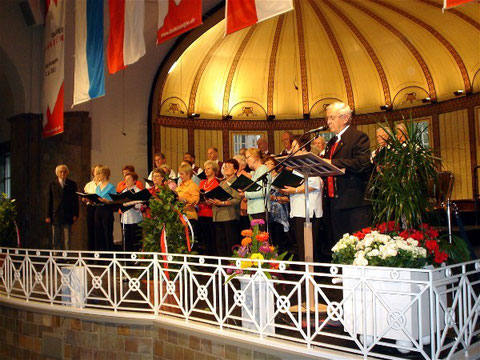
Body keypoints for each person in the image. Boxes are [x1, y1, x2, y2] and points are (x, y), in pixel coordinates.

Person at [322, 102, 372, 249]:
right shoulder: (331, 142)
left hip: (354, 202)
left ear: (345, 118)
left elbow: (362, 163)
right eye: (327, 118)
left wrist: (332, 162)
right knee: (340, 247)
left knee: (357, 247)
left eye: (332, 117)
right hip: (334, 201)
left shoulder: (358, 137)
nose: (328, 122)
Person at [279, 136, 323, 261]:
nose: (291, 150)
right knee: (301, 245)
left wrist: (295, 190)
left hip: (308, 210)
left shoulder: (310, 162)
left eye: (294, 147)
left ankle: (310, 274)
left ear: (303, 148)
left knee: (308, 246)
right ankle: (304, 272)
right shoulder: (296, 165)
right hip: (298, 209)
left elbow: (315, 184)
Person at [209, 159, 241, 257]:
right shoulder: (222, 182)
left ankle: (232, 266)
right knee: (220, 244)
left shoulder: (236, 181)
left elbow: (237, 199)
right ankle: (223, 265)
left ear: (235, 170)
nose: (226, 168)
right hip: (218, 216)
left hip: (229, 216)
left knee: (230, 243)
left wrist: (222, 202)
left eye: (229, 166)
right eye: (225, 166)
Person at [46, 164, 79, 250]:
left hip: (68, 213)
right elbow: (49, 200)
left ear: (67, 173)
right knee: (56, 237)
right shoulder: (52, 184)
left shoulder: (72, 184)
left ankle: (67, 255)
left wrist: (76, 213)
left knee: (67, 237)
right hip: (56, 213)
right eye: (61, 172)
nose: (63, 173)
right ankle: (57, 255)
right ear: (57, 173)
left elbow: (75, 200)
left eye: (65, 172)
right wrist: (48, 215)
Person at [264, 156, 291, 254]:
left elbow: (288, 198)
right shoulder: (264, 179)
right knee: (270, 238)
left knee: (279, 238)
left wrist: (275, 198)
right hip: (267, 211)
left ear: (275, 165)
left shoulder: (280, 178)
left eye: (270, 163)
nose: (267, 166)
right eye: (265, 164)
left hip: (279, 213)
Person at [238, 148, 270, 231]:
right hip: (254, 209)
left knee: (261, 238)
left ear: (254, 157)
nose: (246, 161)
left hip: (260, 209)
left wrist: (246, 194)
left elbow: (264, 192)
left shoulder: (263, 169)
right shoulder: (256, 172)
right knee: (255, 239)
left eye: (247, 158)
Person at [198, 160, 220, 255]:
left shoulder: (217, 182)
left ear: (214, 170)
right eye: (205, 169)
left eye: (208, 168)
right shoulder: (202, 182)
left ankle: (213, 257)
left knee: (213, 237)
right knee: (205, 238)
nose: (206, 171)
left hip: (212, 213)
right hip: (202, 211)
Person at [94, 165, 116, 252]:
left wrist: (106, 200)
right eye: (97, 174)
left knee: (107, 233)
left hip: (106, 210)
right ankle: (100, 255)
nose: (98, 176)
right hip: (98, 210)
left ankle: (109, 255)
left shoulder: (111, 186)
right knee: (98, 233)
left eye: (100, 173)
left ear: (105, 174)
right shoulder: (98, 187)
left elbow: (114, 200)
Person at [120, 172, 142, 252]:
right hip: (125, 219)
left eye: (128, 179)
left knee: (135, 241)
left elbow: (139, 206)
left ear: (134, 181)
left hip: (135, 219)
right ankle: (127, 258)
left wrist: (131, 204)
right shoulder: (124, 191)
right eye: (125, 180)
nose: (126, 181)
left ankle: (136, 259)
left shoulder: (137, 191)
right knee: (127, 241)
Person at [176, 163, 200, 235]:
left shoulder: (192, 186)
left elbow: (196, 200)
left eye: (182, 174)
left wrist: (185, 200)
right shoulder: (180, 186)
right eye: (180, 174)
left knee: (189, 242)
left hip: (189, 217)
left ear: (188, 174)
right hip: (180, 216)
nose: (180, 176)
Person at [83, 164, 101, 251]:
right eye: (96, 172)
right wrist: (85, 199)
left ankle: (101, 256)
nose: (97, 174)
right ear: (93, 173)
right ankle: (91, 255)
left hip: (100, 208)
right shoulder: (88, 185)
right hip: (91, 208)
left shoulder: (104, 184)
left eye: (99, 172)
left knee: (99, 232)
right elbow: (84, 197)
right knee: (91, 231)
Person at [233, 154, 251, 231]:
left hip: (243, 209)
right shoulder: (232, 177)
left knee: (245, 231)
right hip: (233, 209)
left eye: (237, 164)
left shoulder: (247, 177)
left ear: (243, 166)